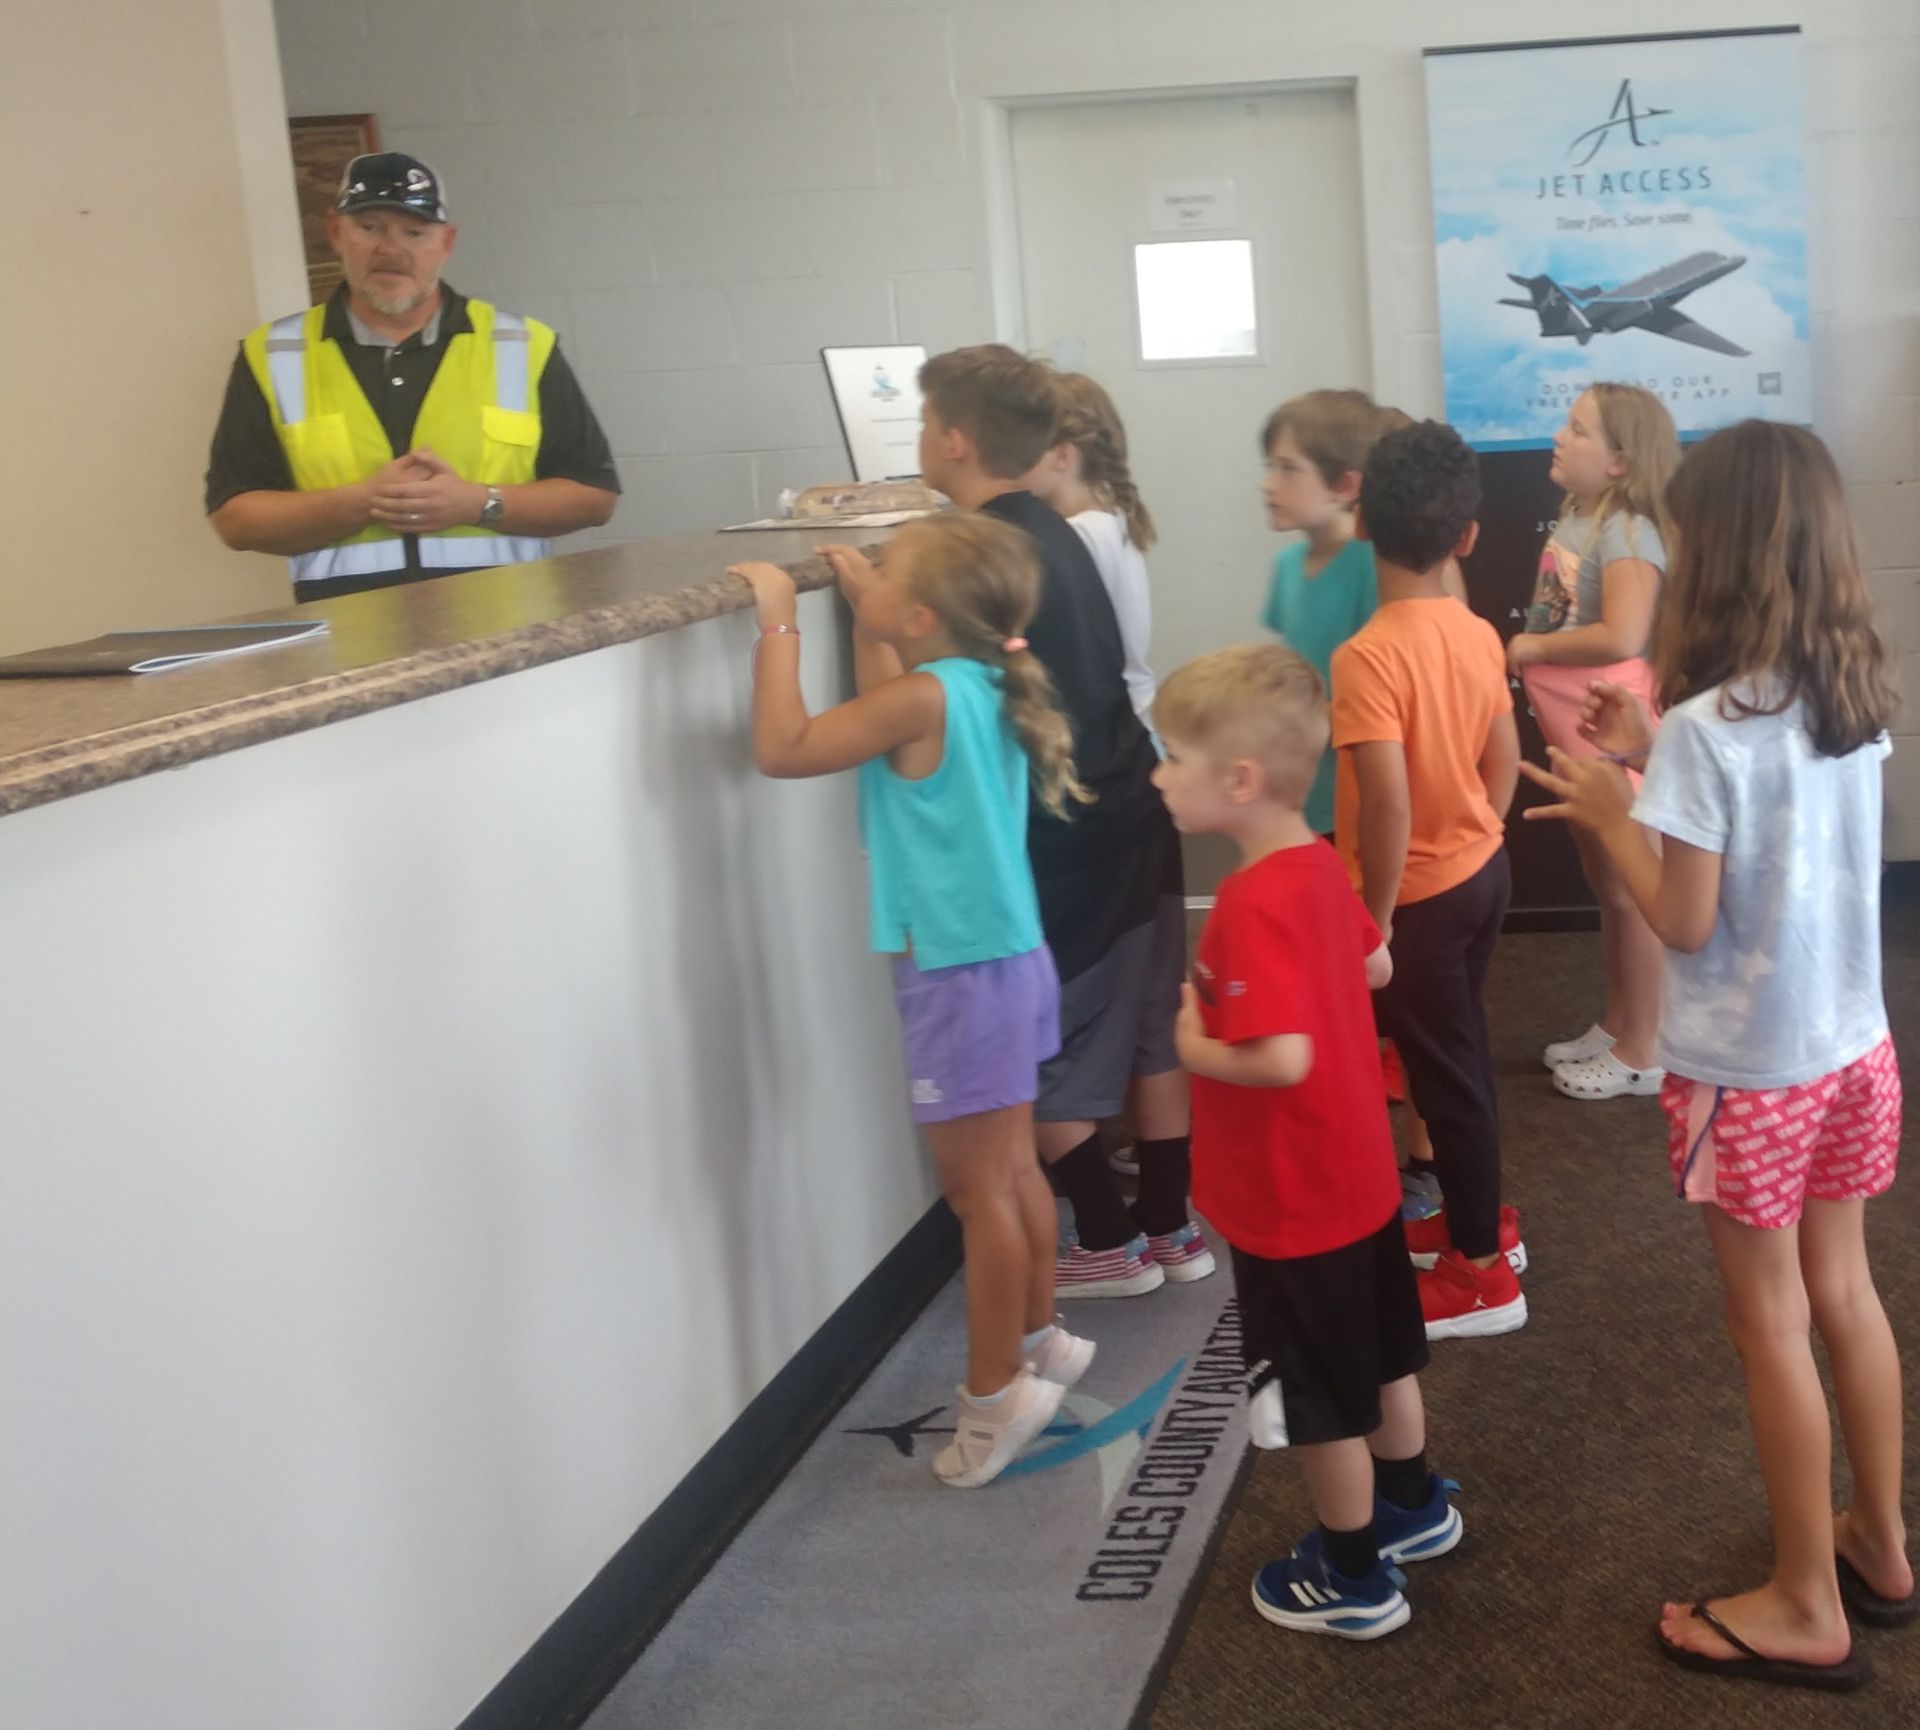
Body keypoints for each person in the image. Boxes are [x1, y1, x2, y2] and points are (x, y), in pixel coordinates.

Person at [1520, 420, 1906, 1692]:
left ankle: (1805, 1598)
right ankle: (1879, 1544)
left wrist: (1609, 799)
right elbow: (1774, 843)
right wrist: (1647, 761)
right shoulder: (1851, 692)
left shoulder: (1705, 725)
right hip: (1852, 1048)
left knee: (1770, 1321)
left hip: (1750, 1072)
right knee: (1845, 1293)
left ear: (1715, 553)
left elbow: (1681, 915)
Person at [729, 513, 1096, 1489]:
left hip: (957, 976)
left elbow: (786, 745)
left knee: (977, 1196)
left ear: (924, 613)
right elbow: (888, 693)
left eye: (889, 572)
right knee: (1011, 1169)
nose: (874, 575)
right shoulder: (977, 680)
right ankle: (1037, 1337)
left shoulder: (926, 697)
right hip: (1008, 959)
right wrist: (867, 605)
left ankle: (995, 1395)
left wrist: (778, 623)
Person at [1156, 642, 1460, 1640]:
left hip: (1292, 1204)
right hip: (1358, 1175)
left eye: (1172, 757)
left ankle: (1352, 1571)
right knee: (1380, 1353)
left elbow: (1279, 1057)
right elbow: (1374, 968)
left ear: (1237, 781)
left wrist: (1194, 1037)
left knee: (1321, 1394)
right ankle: (1415, 1502)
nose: (1159, 775)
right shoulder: (1319, 861)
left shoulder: (1247, 902)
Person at [914, 345, 1211, 1298]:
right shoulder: (1061, 529)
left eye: (924, 424)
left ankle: (1109, 1238)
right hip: (1134, 811)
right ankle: (1168, 1227)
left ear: (956, 441)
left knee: (1044, 1056)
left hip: (1071, 842)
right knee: (1148, 1032)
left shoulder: (992, 548)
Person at [206, 152, 619, 599]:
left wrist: (476, 503)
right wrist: (363, 502)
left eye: (415, 232)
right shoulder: (272, 354)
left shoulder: (523, 345)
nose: (391, 249)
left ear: (446, 242)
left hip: (509, 640)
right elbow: (235, 518)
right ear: (334, 233)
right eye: (370, 227)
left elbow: (594, 497)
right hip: (348, 645)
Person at [1331, 421, 1526, 1339]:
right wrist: (1476, 835)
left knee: (1446, 1079)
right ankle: (1482, 1221)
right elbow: (1506, 760)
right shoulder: (1477, 630)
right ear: (1468, 536)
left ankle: (1482, 1270)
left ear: (1362, 517)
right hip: (1482, 874)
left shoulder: (1367, 655)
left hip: (1415, 900)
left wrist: (1370, 925)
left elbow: (1386, 808)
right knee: (1461, 1058)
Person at [1505, 385, 1679, 1101]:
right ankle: (1620, 1022)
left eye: (1576, 430)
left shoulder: (1630, 528)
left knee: (1635, 891)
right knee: (1609, 886)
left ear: (1618, 461)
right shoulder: (1583, 516)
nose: (1558, 437)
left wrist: (1528, 644)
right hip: (1578, 734)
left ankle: (1646, 1046)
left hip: (1612, 731)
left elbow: (1625, 635)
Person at [1024, 372, 1159, 734]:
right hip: (1130, 714)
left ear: (1063, 456)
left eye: (1024, 448)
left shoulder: (1080, 535)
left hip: (1112, 724)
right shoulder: (1109, 515)